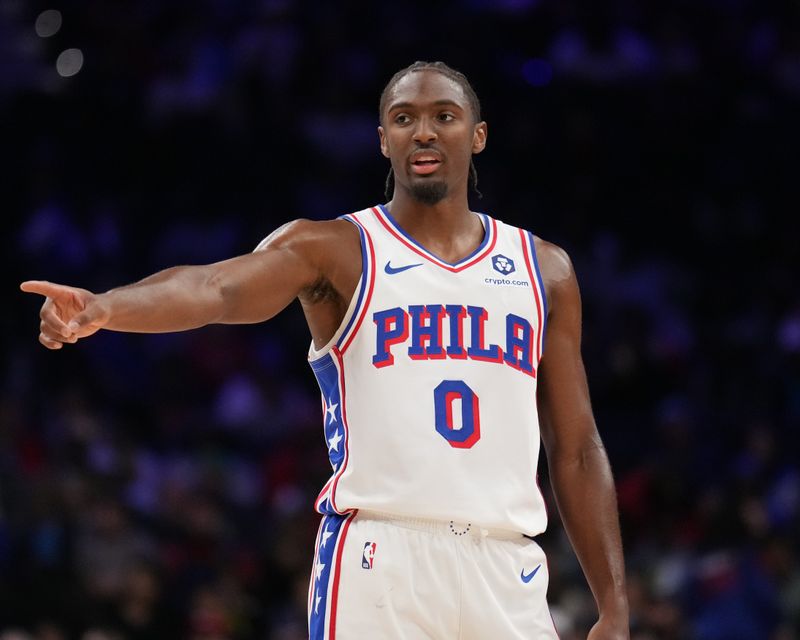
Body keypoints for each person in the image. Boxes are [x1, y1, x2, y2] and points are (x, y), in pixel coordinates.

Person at [22, 61, 629, 639]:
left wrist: (613, 606)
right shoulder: (336, 249)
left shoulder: (543, 270)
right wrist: (107, 307)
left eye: (444, 116)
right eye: (404, 118)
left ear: (478, 135)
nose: (423, 131)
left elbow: (576, 449)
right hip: (380, 554)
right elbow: (216, 287)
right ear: (384, 140)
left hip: (506, 563)